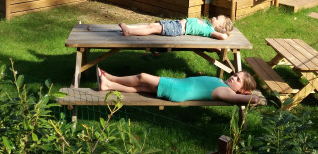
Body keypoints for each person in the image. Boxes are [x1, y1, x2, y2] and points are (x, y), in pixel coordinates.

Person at [96, 67, 260, 105]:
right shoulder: (222, 84)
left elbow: (243, 99)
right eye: (235, 75)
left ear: (242, 90)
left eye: (238, 80)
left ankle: (110, 77)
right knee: (140, 87)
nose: (233, 77)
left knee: (142, 77)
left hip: (178, 89)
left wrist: (255, 98)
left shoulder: (226, 92)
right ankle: (108, 85)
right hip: (178, 86)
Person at [119, 15, 233, 40]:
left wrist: (225, 33)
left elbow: (222, 37)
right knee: (152, 25)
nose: (214, 17)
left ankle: (129, 31)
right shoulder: (208, 24)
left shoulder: (210, 30)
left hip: (177, 29)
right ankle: (130, 27)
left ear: (219, 26)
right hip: (176, 24)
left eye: (217, 18)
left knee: (152, 29)